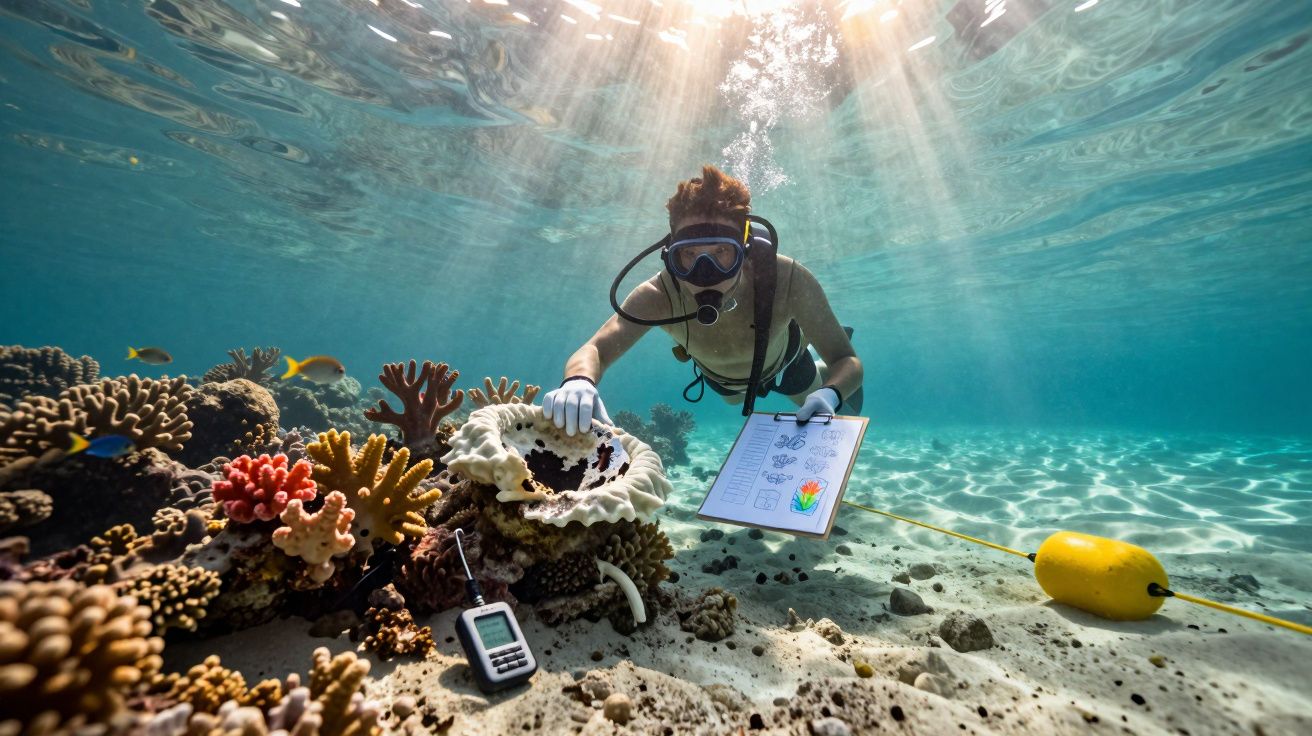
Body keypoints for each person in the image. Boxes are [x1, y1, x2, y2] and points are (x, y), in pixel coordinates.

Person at [542, 164, 864, 436]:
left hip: (786, 361)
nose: (705, 273)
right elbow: (595, 348)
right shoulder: (659, 295)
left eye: (722, 253)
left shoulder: (788, 279)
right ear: (671, 255)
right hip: (722, 380)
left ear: (745, 251)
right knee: (734, 400)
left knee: (810, 396)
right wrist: (579, 381)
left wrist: (830, 394)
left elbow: (847, 362)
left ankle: (812, 358)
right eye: (690, 256)